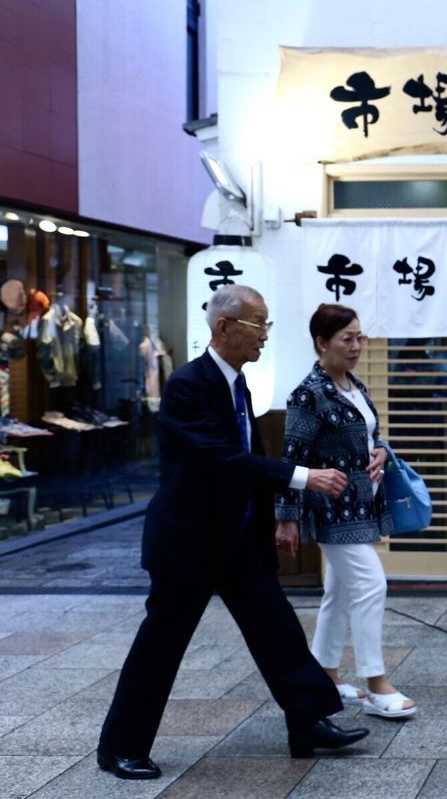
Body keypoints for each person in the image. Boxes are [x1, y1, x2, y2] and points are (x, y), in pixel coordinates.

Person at [97, 285, 369, 781]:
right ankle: (120, 747)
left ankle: (307, 721)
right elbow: (221, 457)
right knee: (161, 646)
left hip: (238, 539)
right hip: (188, 542)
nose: (265, 335)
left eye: (267, 324)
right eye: (258, 325)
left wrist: (279, 518)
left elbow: (241, 462)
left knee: (278, 630)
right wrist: (303, 477)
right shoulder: (187, 385)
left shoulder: (238, 383)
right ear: (224, 327)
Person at [274, 304, 416, 719]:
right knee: (371, 585)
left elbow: (371, 435)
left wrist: (380, 453)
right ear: (322, 342)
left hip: (364, 506)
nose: (356, 346)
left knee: (338, 594)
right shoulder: (308, 393)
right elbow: (293, 458)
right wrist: (286, 517)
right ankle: (376, 684)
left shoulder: (353, 384)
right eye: (346, 339)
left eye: (360, 337)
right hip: (334, 510)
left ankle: (326, 676)